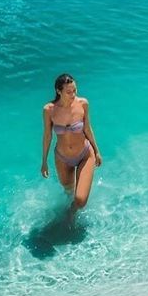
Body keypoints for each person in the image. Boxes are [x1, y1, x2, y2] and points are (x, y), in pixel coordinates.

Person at [41, 73, 102, 209]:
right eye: (69, 92)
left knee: (80, 200)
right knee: (69, 193)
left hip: (84, 154)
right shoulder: (49, 110)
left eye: (75, 90)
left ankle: (71, 215)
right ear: (58, 91)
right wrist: (44, 161)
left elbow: (87, 129)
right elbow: (47, 136)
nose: (73, 94)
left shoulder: (83, 104)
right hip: (62, 158)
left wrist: (97, 151)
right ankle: (70, 217)